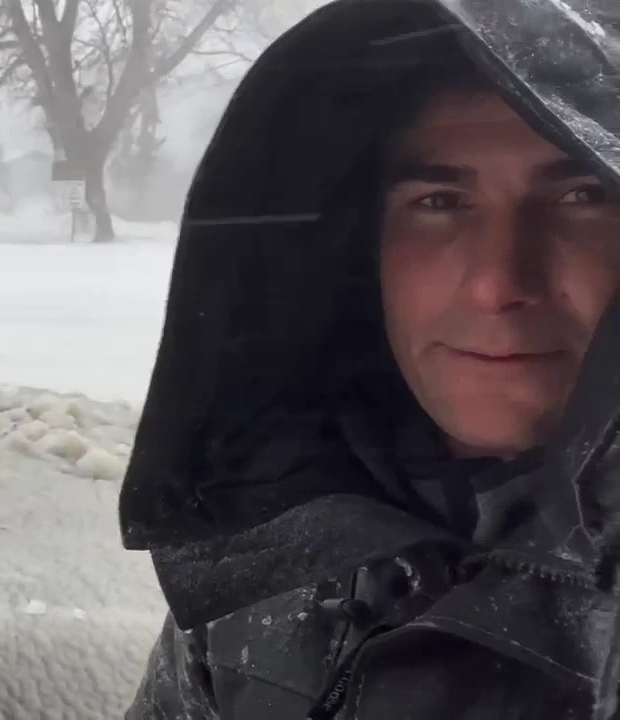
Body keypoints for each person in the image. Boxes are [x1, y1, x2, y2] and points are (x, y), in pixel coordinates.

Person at [119, 0, 620, 717]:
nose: (496, 283)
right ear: (361, 247)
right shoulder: (284, 549)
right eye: (441, 201)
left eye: (582, 196)